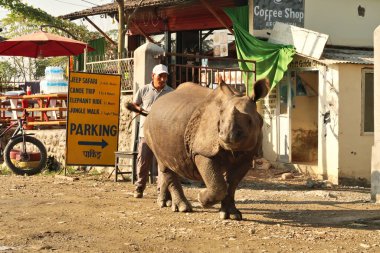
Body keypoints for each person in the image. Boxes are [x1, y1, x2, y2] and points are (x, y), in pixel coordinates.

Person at [129, 64, 173, 198]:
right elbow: (135, 104)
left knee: (163, 164)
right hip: (145, 133)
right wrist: (142, 111)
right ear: (153, 76)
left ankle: (161, 191)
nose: (163, 79)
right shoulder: (144, 90)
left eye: (165, 76)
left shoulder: (171, 92)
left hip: (163, 135)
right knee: (143, 162)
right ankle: (139, 187)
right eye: (160, 76)